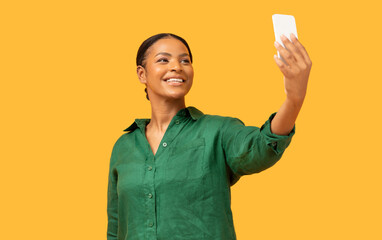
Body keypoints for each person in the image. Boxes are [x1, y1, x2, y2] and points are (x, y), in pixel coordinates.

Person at [107, 33, 312, 240]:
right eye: (163, 59)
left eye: (185, 60)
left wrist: (294, 99)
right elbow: (115, 228)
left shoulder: (218, 131)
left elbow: (261, 146)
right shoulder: (124, 147)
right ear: (142, 74)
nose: (177, 66)